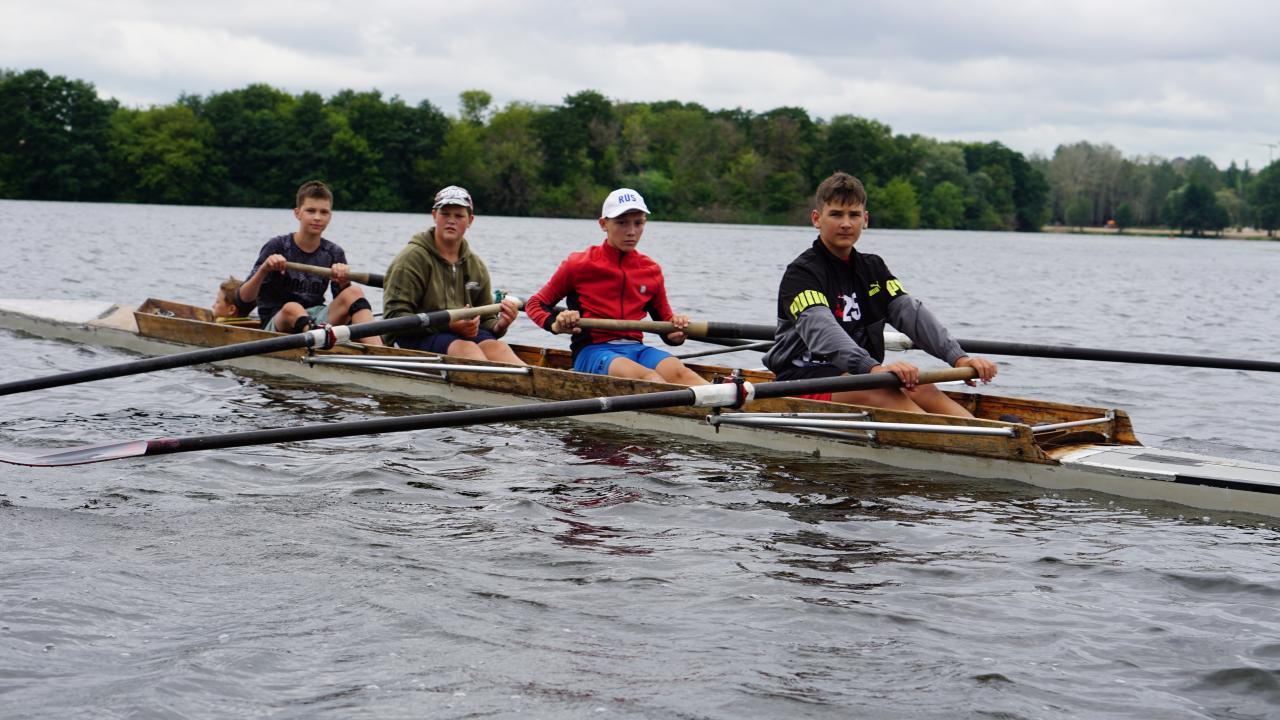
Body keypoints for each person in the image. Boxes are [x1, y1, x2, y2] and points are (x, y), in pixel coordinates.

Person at [762, 171, 997, 416]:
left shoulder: (873, 268)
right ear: (816, 219)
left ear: (865, 220)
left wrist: (959, 358)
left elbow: (912, 315)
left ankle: (984, 438)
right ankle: (968, 443)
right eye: (836, 214)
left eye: (853, 215)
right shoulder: (802, 274)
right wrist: (871, 368)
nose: (845, 223)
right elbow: (822, 331)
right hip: (804, 380)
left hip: (859, 375)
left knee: (921, 387)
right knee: (883, 392)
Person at [525, 188, 707, 386]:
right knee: (650, 379)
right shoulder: (578, 264)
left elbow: (667, 329)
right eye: (621, 223)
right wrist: (555, 324)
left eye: (638, 223)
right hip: (592, 350)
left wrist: (678, 330)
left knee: (682, 374)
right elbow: (535, 304)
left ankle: (726, 412)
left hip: (636, 349)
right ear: (604, 224)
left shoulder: (651, 270)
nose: (631, 231)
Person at [381, 185, 524, 363]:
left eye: (458, 216)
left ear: (470, 220)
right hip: (412, 337)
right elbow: (393, 319)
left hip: (456, 336)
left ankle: (530, 388)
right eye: (445, 214)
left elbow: (486, 319)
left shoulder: (476, 265)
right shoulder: (410, 259)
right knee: (466, 348)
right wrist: (449, 324)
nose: (451, 220)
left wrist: (500, 324)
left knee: (498, 347)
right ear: (434, 215)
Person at [233, 180, 382, 345]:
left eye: (323, 212)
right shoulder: (277, 246)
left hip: (317, 320)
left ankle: (381, 353)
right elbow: (242, 300)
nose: (317, 217)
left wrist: (344, 282)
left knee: (354, 292)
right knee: (292, 307)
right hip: (278, 323)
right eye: (311, 211)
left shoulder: (334, 252)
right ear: (298, 213)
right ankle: (316, 340)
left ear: (330, 216)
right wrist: (264, 269)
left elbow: (343, 306)